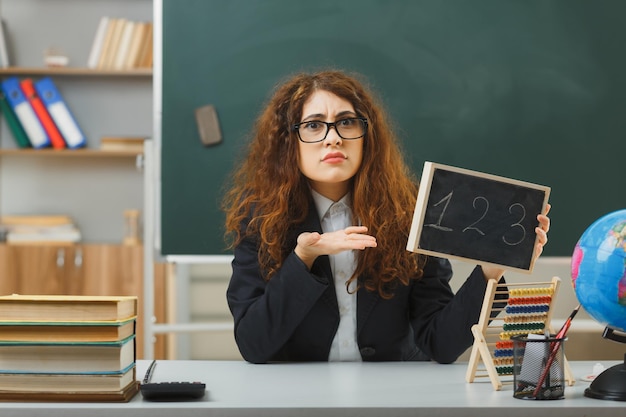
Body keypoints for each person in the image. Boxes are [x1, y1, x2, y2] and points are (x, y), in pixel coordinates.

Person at [223, 70, 550, 364]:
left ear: (368, 137)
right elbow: (254, 345)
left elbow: (440, 344)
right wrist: (303, 258)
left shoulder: (411, 213)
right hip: (301, 399)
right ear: (287, 142)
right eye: (313, 125)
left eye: (347, 122)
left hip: (395, 397)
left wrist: (490, 272)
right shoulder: (260, 221)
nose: (333, 137)